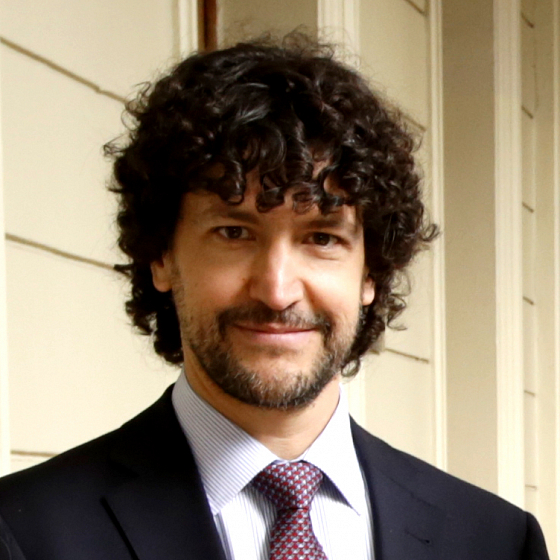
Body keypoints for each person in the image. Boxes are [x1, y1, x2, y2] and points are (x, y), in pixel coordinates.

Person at [0, 35, 549, 560]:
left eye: (322, 238)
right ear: (161, 256)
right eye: (234, 232)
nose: (277, 289)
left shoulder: (496, 543)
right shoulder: (23, 534)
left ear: (371, 273)